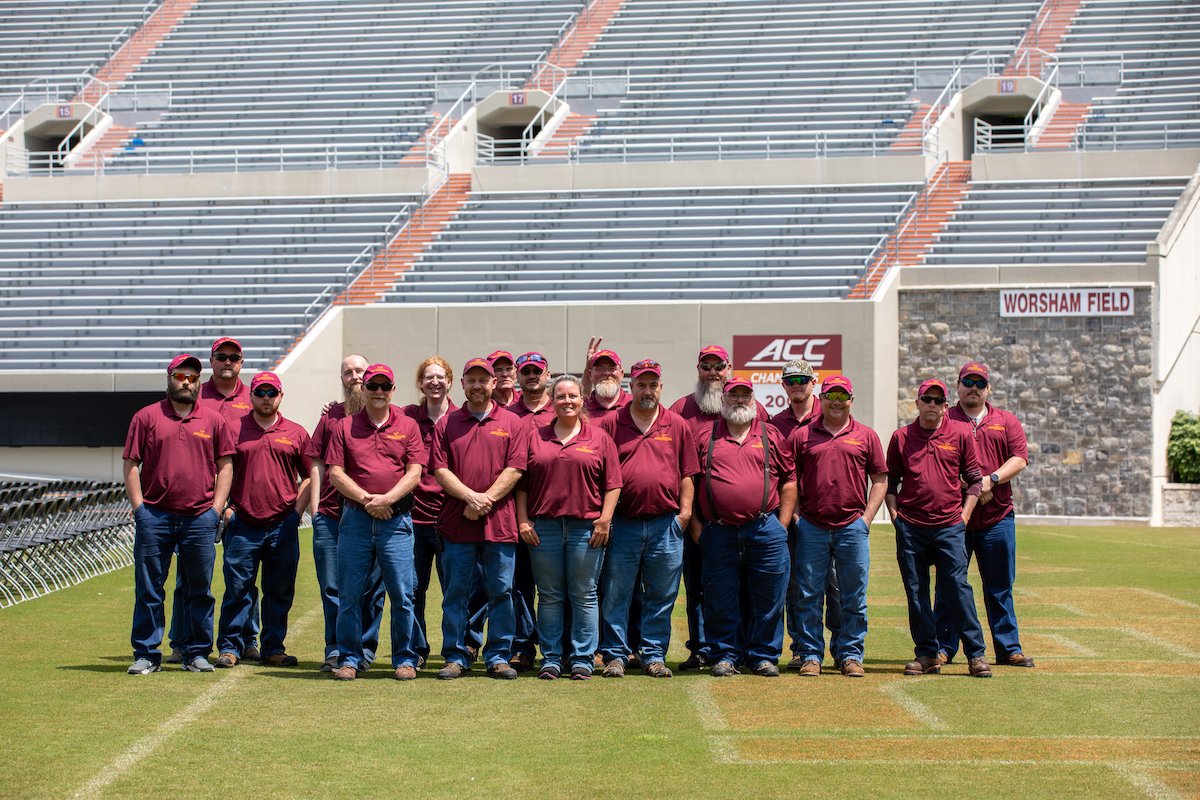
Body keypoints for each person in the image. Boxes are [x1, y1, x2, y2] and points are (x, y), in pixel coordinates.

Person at [123, 354, 234, 675]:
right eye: (181, 376)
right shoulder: (146, 417)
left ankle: (197, 652)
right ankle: (146, 654)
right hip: (154, 516)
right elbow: (131, 464)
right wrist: (139, 508)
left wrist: (216, 509)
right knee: (149, 589)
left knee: (199, 589)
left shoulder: (213, 420)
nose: (187, 382)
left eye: (193, 378)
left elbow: (226, 466)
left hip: (200, 517)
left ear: (199, 382)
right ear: (169, 377)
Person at [324, 364, 427, 681]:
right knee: (350, 596)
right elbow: (336, 473)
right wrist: (370, 500)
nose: (379, 391)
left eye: (385, 386)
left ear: (393, 389)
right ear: (363, 389)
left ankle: (404, 658)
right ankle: (350, 658)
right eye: (373, 386)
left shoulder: (408, 425)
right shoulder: (345, 426)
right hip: (355, 520)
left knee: (402, 594)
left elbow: (415, 471)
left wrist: (387, 499)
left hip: (396, 522)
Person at [596, 359, 699, 678]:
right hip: (624, 523)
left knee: (661, 593)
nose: (647, 390)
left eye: (653, 384)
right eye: (641, 384)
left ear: (661, 388)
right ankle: (615, 655)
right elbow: (600, 473)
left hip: (665, 524)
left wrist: (684, 514)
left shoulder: (677, 424)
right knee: (616, 592)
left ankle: (653, 654)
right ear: (631, 386)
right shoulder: (613, 422)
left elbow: (687, 474)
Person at [669, 344, 768, 671]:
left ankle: (742, 650)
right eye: (706, 366)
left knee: (743, 588)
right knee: (697, 588)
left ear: (729, 369)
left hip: (743, 525)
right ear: (698, 369)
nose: (712, 372)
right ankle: (701, 649)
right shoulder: (682, 409)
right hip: (698, 520)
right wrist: (691, 519)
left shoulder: (753, 408)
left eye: (719, 366)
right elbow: (675, 466)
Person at [517, 375, 622, 680]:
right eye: (561, 396)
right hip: (544, 528)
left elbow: (613, 484)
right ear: (552, 401)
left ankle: (582, 658)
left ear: (581, 400)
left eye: (573, 396)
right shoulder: (535, 436)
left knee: (584, 594)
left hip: (585, 529)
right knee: (549, 595)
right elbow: (522, 485)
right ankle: (551, 658)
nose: (567, 401)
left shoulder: (599, 438)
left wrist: (605, 519)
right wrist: (523, 520)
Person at [431, 357, 530, 680]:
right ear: (462, 384)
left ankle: (498, 655)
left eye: (483, 380)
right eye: (471, 380)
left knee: (501, 592)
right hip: (458, 523)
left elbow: (515, 468)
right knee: (456, 593)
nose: (477, 386)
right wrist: (470, 497)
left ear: (493, 384)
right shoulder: (448, 423)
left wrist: (484, 499)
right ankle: (456, 655)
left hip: (499, 524)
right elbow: (440, 469)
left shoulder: (513, 422)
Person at [886, 378, 992, 678]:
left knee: (958, 588)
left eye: (937, 400)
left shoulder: (959, 435)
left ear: (946, 406)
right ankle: (927, 654)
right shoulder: (901, 437)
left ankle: (975, 653)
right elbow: (890, 481)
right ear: (917, 403)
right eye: (926, 399)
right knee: (916, 591)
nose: (931, 405)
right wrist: (896, 516)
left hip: (949, 526)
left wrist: (964, 516)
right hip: (911, 528)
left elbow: (974, 480)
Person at [690, 378, 795, 677]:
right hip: (718, 531)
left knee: (769, 597)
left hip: (764, 529)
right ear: (723, 400)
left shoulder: (771, 434)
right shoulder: (704, 436)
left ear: (753, 399)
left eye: (745, 395)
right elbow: (689, 481)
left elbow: (789, 480)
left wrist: (782, 524)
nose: (739, 400)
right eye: (733, 395)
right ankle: (725, 655)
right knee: (719, 597)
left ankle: (762, 655)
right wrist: (696, 525)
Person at [787, 375, 886, 678]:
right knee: (808, 595)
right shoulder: (802, 436)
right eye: (831, 395)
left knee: (852, 596)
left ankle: (850, 654)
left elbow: (880, 479)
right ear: (823, 398)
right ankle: (810, 655)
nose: (836, 402)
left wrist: (866, 518)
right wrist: (797, 517)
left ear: (851, 400)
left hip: (851, 527)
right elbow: (789, 480)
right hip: (813, 527)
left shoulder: (866, 436)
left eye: (842, 396)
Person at [937, 362, 1033, 668]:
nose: (973, 388)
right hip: (955, 519)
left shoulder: (1005, 420)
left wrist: (990, 480)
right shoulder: (944, 418)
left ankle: (1008, 648)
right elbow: (934, 460)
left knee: (1000, 586)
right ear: (958, 386)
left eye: (980, 383)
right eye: (968, 382)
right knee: (950, 584)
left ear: (988, 388)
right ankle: (943, 647)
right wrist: (971, 486)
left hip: (997, 517)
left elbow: (1019, 458)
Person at [166, 335, 255, 664]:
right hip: (198, 502)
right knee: (187, 578)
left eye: (234, 356)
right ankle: (182, 641)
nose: (227, 361)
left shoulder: (257, 394)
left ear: (241, 361)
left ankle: (246, 640)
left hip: (242, 504)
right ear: (212, 361)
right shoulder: (194, 393)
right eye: (221, 356)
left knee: (242, 578)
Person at [214, 371, 311, 668]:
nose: (266, 398)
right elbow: (217, 470)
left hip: (282, 524)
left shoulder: (296, 432)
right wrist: (226, 509)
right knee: (238, 588)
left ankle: (273, 647)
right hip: (243, 523)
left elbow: (310, 476)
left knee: (279, 590)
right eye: (260, 393)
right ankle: (231, 647)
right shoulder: (232, 429)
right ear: (251, 396)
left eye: (272, 393)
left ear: (281, 396)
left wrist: (296, 513)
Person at [306, 354, 387, 673]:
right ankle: (336, 649)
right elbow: (317, 463)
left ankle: (365, 650)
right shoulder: (331, 417)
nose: (355, 377)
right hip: (330, 515)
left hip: (373, 517)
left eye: (360, 371)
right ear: (342, 378)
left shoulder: (388, 416)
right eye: (348, 372)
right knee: (332, 588)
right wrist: (314, 507)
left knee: (371, 588)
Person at [768, 358, 840, 672]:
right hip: (790, 518)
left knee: (836, 586)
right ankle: (801, 649)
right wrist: (791, 512)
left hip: (827, 517)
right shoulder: (775, 423)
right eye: (790, 381)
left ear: (814, 383)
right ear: (784, 385)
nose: (796, 385)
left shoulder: (829, 417)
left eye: (802, 380)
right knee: (796, 587)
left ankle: (842, 648)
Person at [404, 356, 456, 668]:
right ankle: (417, 650)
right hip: (413, 519)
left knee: (455, 591)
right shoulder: (407, 418)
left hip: (451, 519)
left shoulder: (462, 419)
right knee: (411, 590)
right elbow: (371, 409)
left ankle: (456, 650)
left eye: (440, 377)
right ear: (420, 383)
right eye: (428, 377)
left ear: (450, 382)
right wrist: (336, 408)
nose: (434, 382)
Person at [505, 350, 553, 669]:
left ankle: (557, 646)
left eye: (537, 370)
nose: (532, 375)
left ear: (547, 374)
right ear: (518, 376)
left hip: (555, 514)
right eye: (526, 371)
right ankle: (522, 646)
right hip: (516, 515)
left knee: (556, 588)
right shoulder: (507, 415)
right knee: (520, 585)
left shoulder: (564, 410)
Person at [582, 347, 630, 424]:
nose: (607, 373)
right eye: (600, 369)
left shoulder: (633, 404)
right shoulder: (581, 408)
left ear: (622, 373)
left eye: (612, 369)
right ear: (590, 374)